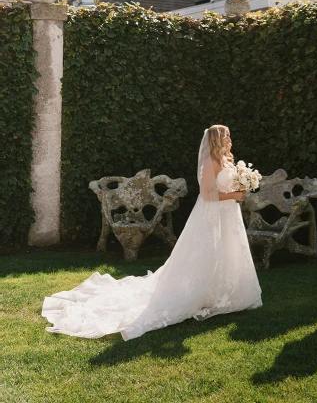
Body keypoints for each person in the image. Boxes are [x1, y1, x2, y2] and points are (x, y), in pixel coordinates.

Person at [42, 125, 262, 339]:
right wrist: (234, 196)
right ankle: (201, 293)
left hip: (228, 216)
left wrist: (241, 187)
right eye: (226, 136)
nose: (230, 140)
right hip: (213, 216)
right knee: (208, 253)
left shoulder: (226, 160)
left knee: (228, 250)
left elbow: (225, 187)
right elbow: (206, 194)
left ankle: (224, 293)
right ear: (216, 139)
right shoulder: (210, 161)